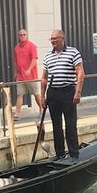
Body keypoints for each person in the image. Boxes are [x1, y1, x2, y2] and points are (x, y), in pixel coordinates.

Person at [41, 29, 84, 160]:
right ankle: (60, 153)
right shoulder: (48, 55)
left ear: (62, 38)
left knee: (70, 124)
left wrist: (78, 92)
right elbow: (44, 78)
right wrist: (42, 96)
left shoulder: (73, 52)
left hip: (68, 91)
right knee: (56, 125)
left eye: (55, 38)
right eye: (51, 39)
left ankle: (74, 153)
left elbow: (80, 73)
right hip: (53, 92)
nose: (53, 41)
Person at [12, 29, 41, 120]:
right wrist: (15, 73)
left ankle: (42, 109)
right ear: (18, 36)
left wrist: (29, 69)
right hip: (20, 77)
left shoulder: (32, 46)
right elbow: (15, 62)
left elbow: (34, 59)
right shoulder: (16, 48)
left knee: (36, 94)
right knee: (20, 94)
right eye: (21, 35)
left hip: (31, 77)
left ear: (27, 35)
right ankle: (17, 114)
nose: (22, 36)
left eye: (24, 34)